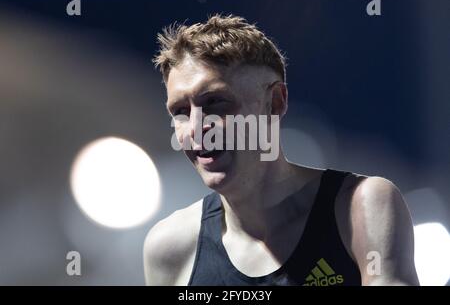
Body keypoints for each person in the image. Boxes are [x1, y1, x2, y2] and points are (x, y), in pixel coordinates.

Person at [143, 14, 419, 286]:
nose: (195, 128)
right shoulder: (170, 249)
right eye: (180, 112)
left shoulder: (360, 208)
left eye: (215, 102)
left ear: (274, 103)